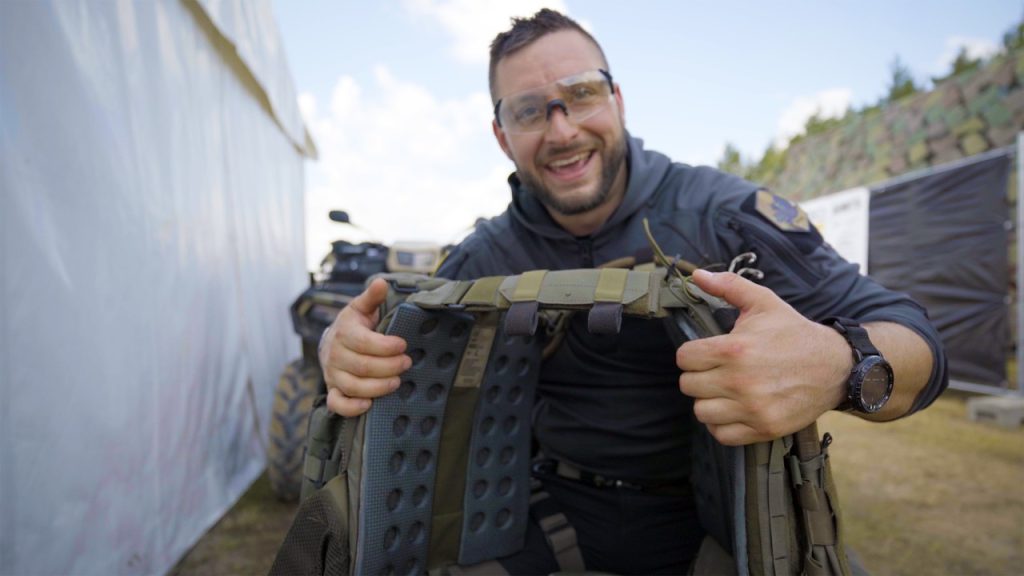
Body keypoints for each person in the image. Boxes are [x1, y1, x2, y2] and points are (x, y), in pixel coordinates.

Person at [317, 9, 947, 574]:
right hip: (538, 513)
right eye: (529, 110)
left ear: (617, 99)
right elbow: (390, 353)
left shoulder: (724, 216)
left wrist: (840, 366)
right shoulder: (484, 259)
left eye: (581, 95)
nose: (561, 131)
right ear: (502, 136)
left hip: (718, 519)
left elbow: (916, 339)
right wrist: (340, 353)